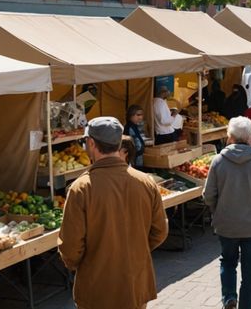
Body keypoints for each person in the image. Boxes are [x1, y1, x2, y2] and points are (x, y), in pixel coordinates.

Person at [59, 117, 169, 309]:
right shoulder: (145, 182)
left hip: (97, 286)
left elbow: (70, 246)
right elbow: (160, 231)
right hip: (135, 282)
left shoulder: (81, 188)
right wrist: (134, 252)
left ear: (91, 143)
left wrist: (86, 264)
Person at [203, 117, 251, 309]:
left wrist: (218, 210)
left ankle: (229, 297)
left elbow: (208, 195)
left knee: (228, 261)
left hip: (226, 224)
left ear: (230, 136)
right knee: (250, 270)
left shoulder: (218, 161)